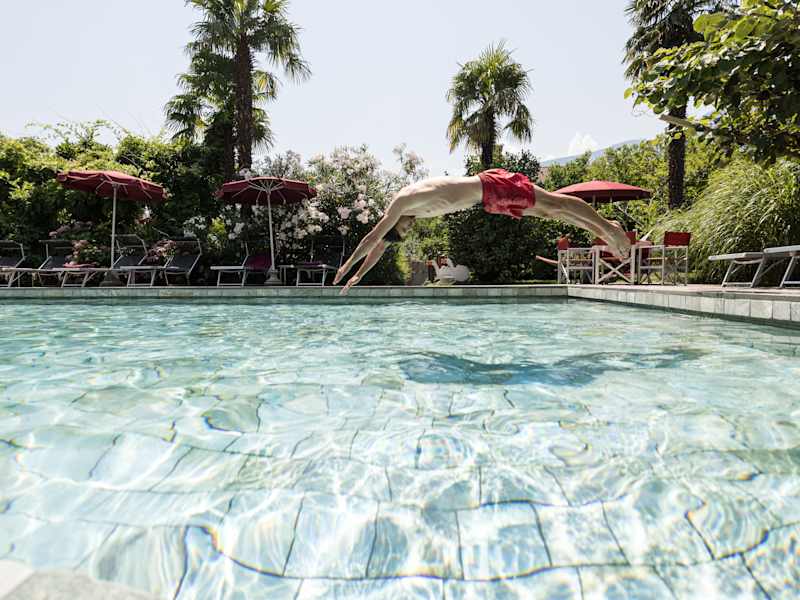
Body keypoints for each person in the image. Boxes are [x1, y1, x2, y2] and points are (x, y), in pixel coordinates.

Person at [333, 168, 632, 294]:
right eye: (407, 231)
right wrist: (359, 275)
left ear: (392, 221)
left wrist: (346, 266)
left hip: (491, 186)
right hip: (489, 201)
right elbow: (381, 246)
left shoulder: (402, 202)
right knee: (548, 212)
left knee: (554, 203)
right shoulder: (410, 212)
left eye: (403, 228)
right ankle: (605, 231)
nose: (409, 227)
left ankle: (609, 228)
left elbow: (373, 237)